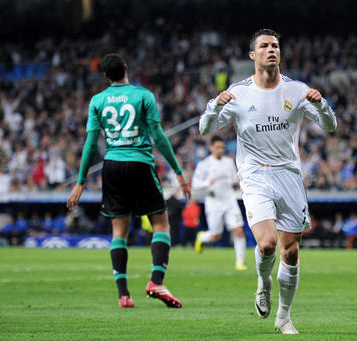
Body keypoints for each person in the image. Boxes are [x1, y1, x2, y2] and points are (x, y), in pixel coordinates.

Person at [199, 29, 337, 334]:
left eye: (275, 45)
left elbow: (330, 126)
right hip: (255, 175)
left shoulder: (297, 90)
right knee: (267, 244)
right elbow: (205, 129)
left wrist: (322, 103)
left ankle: (284, 316)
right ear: (253, 55)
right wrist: (215, 106)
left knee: (291, 252)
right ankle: (263, 281)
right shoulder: (238, 93)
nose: (271, 49)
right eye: (264, 46)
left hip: (289, 175)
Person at [67, 53, 191, 309]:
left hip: (111, 166)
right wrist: (178, 171)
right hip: (140, 163)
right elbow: (157, 134)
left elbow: (91, 143)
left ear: (105, 76)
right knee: (161, 224)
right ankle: (156, 280)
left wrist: (80, 180)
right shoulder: (143, 95)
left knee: (118, 232)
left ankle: (123, 294)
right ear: (126, 68)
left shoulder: (97, 100)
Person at [192, 135, 247, 270]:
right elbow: (195, 184)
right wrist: (207, 183)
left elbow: (234, 181)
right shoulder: (204, 164)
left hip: (229, 201)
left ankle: (240, 263)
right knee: (216, 236)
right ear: (210, 147)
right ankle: (203, 238)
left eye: (222, 147)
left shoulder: (229, 162)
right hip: (213, 203)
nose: (220, 150)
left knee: (238, 231)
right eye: (217, 147)